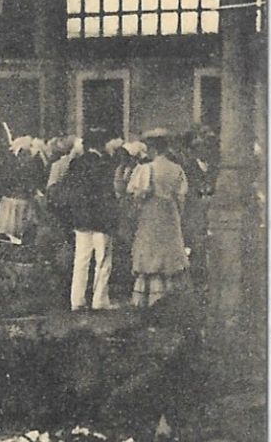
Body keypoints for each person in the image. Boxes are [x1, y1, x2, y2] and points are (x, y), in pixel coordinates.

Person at [51, 130, 119, 311]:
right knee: (102, 260)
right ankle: (99, 301)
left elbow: (70, 190)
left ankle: (77, 300)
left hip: (81, 218)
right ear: (100, 144)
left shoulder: (76, 163)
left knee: (81, 260)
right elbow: (108, 195)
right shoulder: (105, 164)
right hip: (101, 219)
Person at [126, 129, 192, 308]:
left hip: (151, 213)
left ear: (153, 148)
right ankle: (170, 295)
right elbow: (181, 196)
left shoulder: (146, 169)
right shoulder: (176, 168)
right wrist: (178, 214)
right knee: (169, 252)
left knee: (150, 251)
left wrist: (138, 208)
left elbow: (137, 195)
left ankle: (150, 297)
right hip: (170, 213)